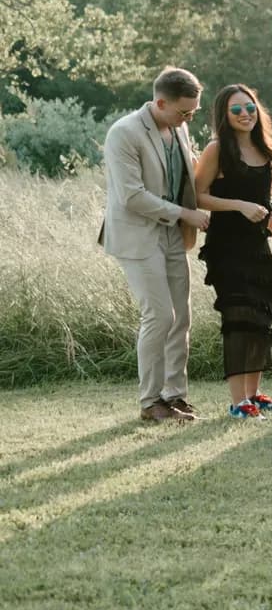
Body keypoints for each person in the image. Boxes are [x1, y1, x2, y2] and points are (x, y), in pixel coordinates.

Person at [101, 67, 208, 423]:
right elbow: (132, 196)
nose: (188, 118)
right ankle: (150, 403)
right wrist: (185, 213)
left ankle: (175, 395)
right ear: (160, 101)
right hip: (137, 233)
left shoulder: (178, 125)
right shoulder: (124, 133)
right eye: (184, 112)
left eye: (193, 112)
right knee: (159, 315)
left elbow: (187, 169)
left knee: (182, 317)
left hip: (173, 233)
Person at [194, 84, 272, 420]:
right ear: (224, 114)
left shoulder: (266, 150)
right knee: (238, 319)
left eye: (250, 108)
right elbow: (198, 196)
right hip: (227, 247)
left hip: (257, 248)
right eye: (237, 110)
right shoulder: (217, 149)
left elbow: (266, 206)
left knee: (260, 319)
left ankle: (254, 395)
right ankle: (239, 404)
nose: (245, 114)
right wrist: (237, 206)